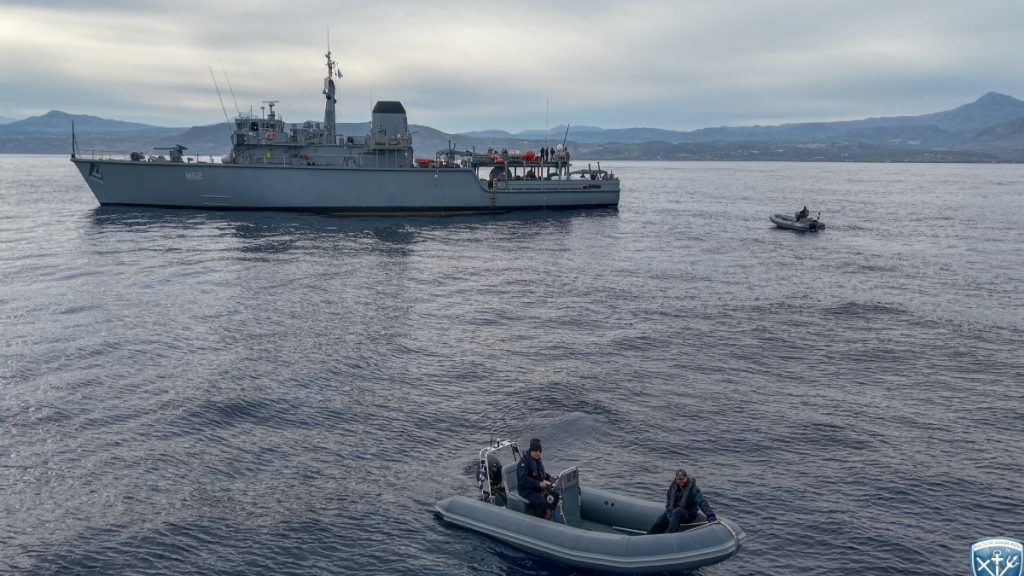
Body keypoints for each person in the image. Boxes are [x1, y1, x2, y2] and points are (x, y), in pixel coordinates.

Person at [647, 468, 717, 534]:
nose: (681, 481)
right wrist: (669, 513)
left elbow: (702, 502)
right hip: (674, 511)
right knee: (660, 521)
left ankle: (671, 534)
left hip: (688, 512)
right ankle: (650, 536)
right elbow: (668, 502)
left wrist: (710, 516)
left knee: (677, 512)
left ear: (686, 478)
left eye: (682, 479)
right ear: (676, 479)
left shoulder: (693, 488)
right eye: (679, 479)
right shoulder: (673, 487)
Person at [517, 438, 559, 519]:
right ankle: (539, 520)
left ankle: (549, 513)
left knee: (555, 495)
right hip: (527, 490)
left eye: (540, 452)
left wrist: (549, 477)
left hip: (538, 487)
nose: (538, 453)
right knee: (542, 503)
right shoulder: (523, 463)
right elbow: (523, 479)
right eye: (536, 451)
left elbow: (540, 472)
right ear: (531, 450)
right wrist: (538, 483)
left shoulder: (536, 459)